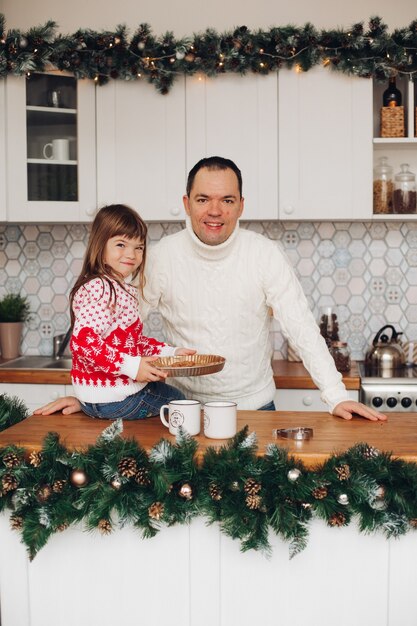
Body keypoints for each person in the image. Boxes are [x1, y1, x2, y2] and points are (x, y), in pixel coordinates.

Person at [36, 157, 386, 422]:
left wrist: (336, 395)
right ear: (187, 203)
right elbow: (114, 335)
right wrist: (88, 398)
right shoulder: (159, 259)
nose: (215, 211)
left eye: (227, 200)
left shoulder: (264, 254)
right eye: (203, 199)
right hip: (179, 409)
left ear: (241, 205)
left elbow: (303, 329)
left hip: (254, 407)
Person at [47, 204, 195, 421]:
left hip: (98, 401)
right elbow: (83, 341)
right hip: (118, 399)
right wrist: (132, 367)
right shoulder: (101, 288)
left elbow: (131, 342)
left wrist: (171, 353)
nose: (131, 254)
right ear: (100, 246)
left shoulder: (118, 289)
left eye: (139, 247)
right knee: (182, 402)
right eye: (121, 244)